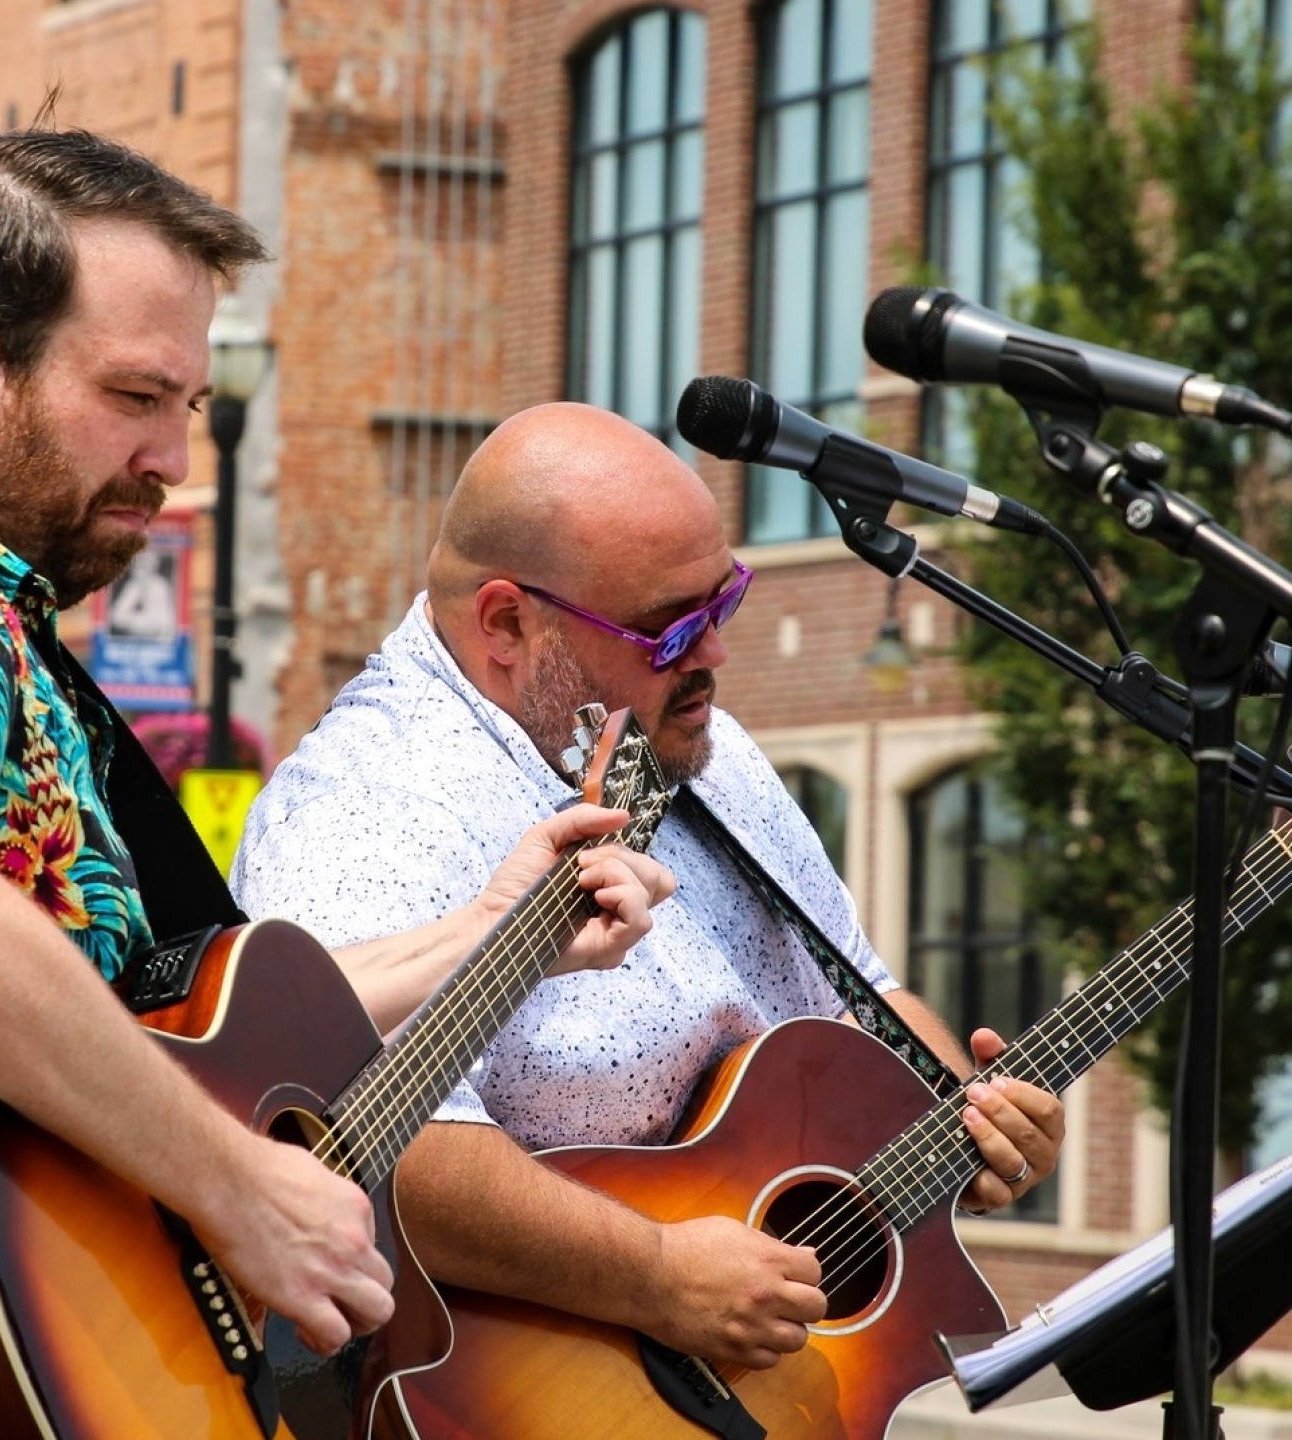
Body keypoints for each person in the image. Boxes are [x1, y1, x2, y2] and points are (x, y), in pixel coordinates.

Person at [0, 131, 670, 1436]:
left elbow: (158, 1033)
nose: (174, 458)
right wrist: (240, 1194)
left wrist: (489, 937)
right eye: (136, 397)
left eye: (190, 408)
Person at [232, 400, 1067, 1372]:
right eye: (671, 631)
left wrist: (970, 1114)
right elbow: (376, 1146)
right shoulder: (366, 802)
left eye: (726, 603)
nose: (714, 654)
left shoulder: (698, 747)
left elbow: (862, 998)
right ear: (508, 623)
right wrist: (658, 1274)